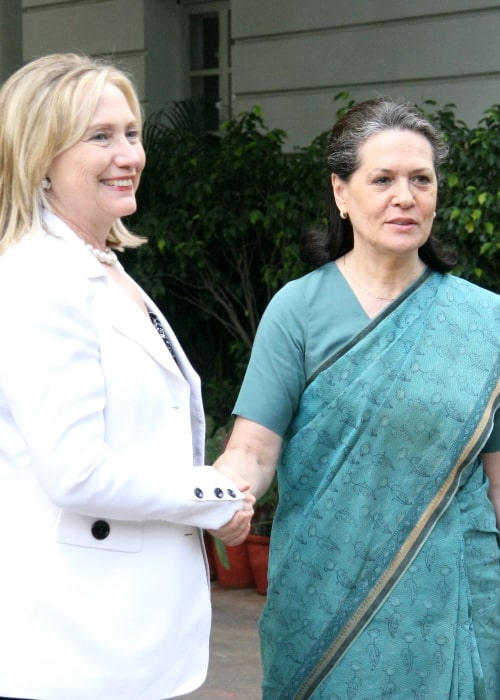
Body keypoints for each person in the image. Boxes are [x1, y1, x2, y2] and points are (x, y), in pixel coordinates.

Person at [214, 99, 500, 699]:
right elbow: (253, 452)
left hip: (452, 606)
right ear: (341, 193)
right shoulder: (298, 309)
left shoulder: (485, 322)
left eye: (421, 180)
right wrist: (222, 497)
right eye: (383, 180)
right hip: (321, 598)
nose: (405, 197)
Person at [0, 53, 253, 700]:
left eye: (132, 133)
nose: (128, 154)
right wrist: (213, 495)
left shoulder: (100, 266)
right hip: (72, 647)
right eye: (100, 136)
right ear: (41, 158)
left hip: (124, 637)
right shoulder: (40, 278)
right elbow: (75, 469)